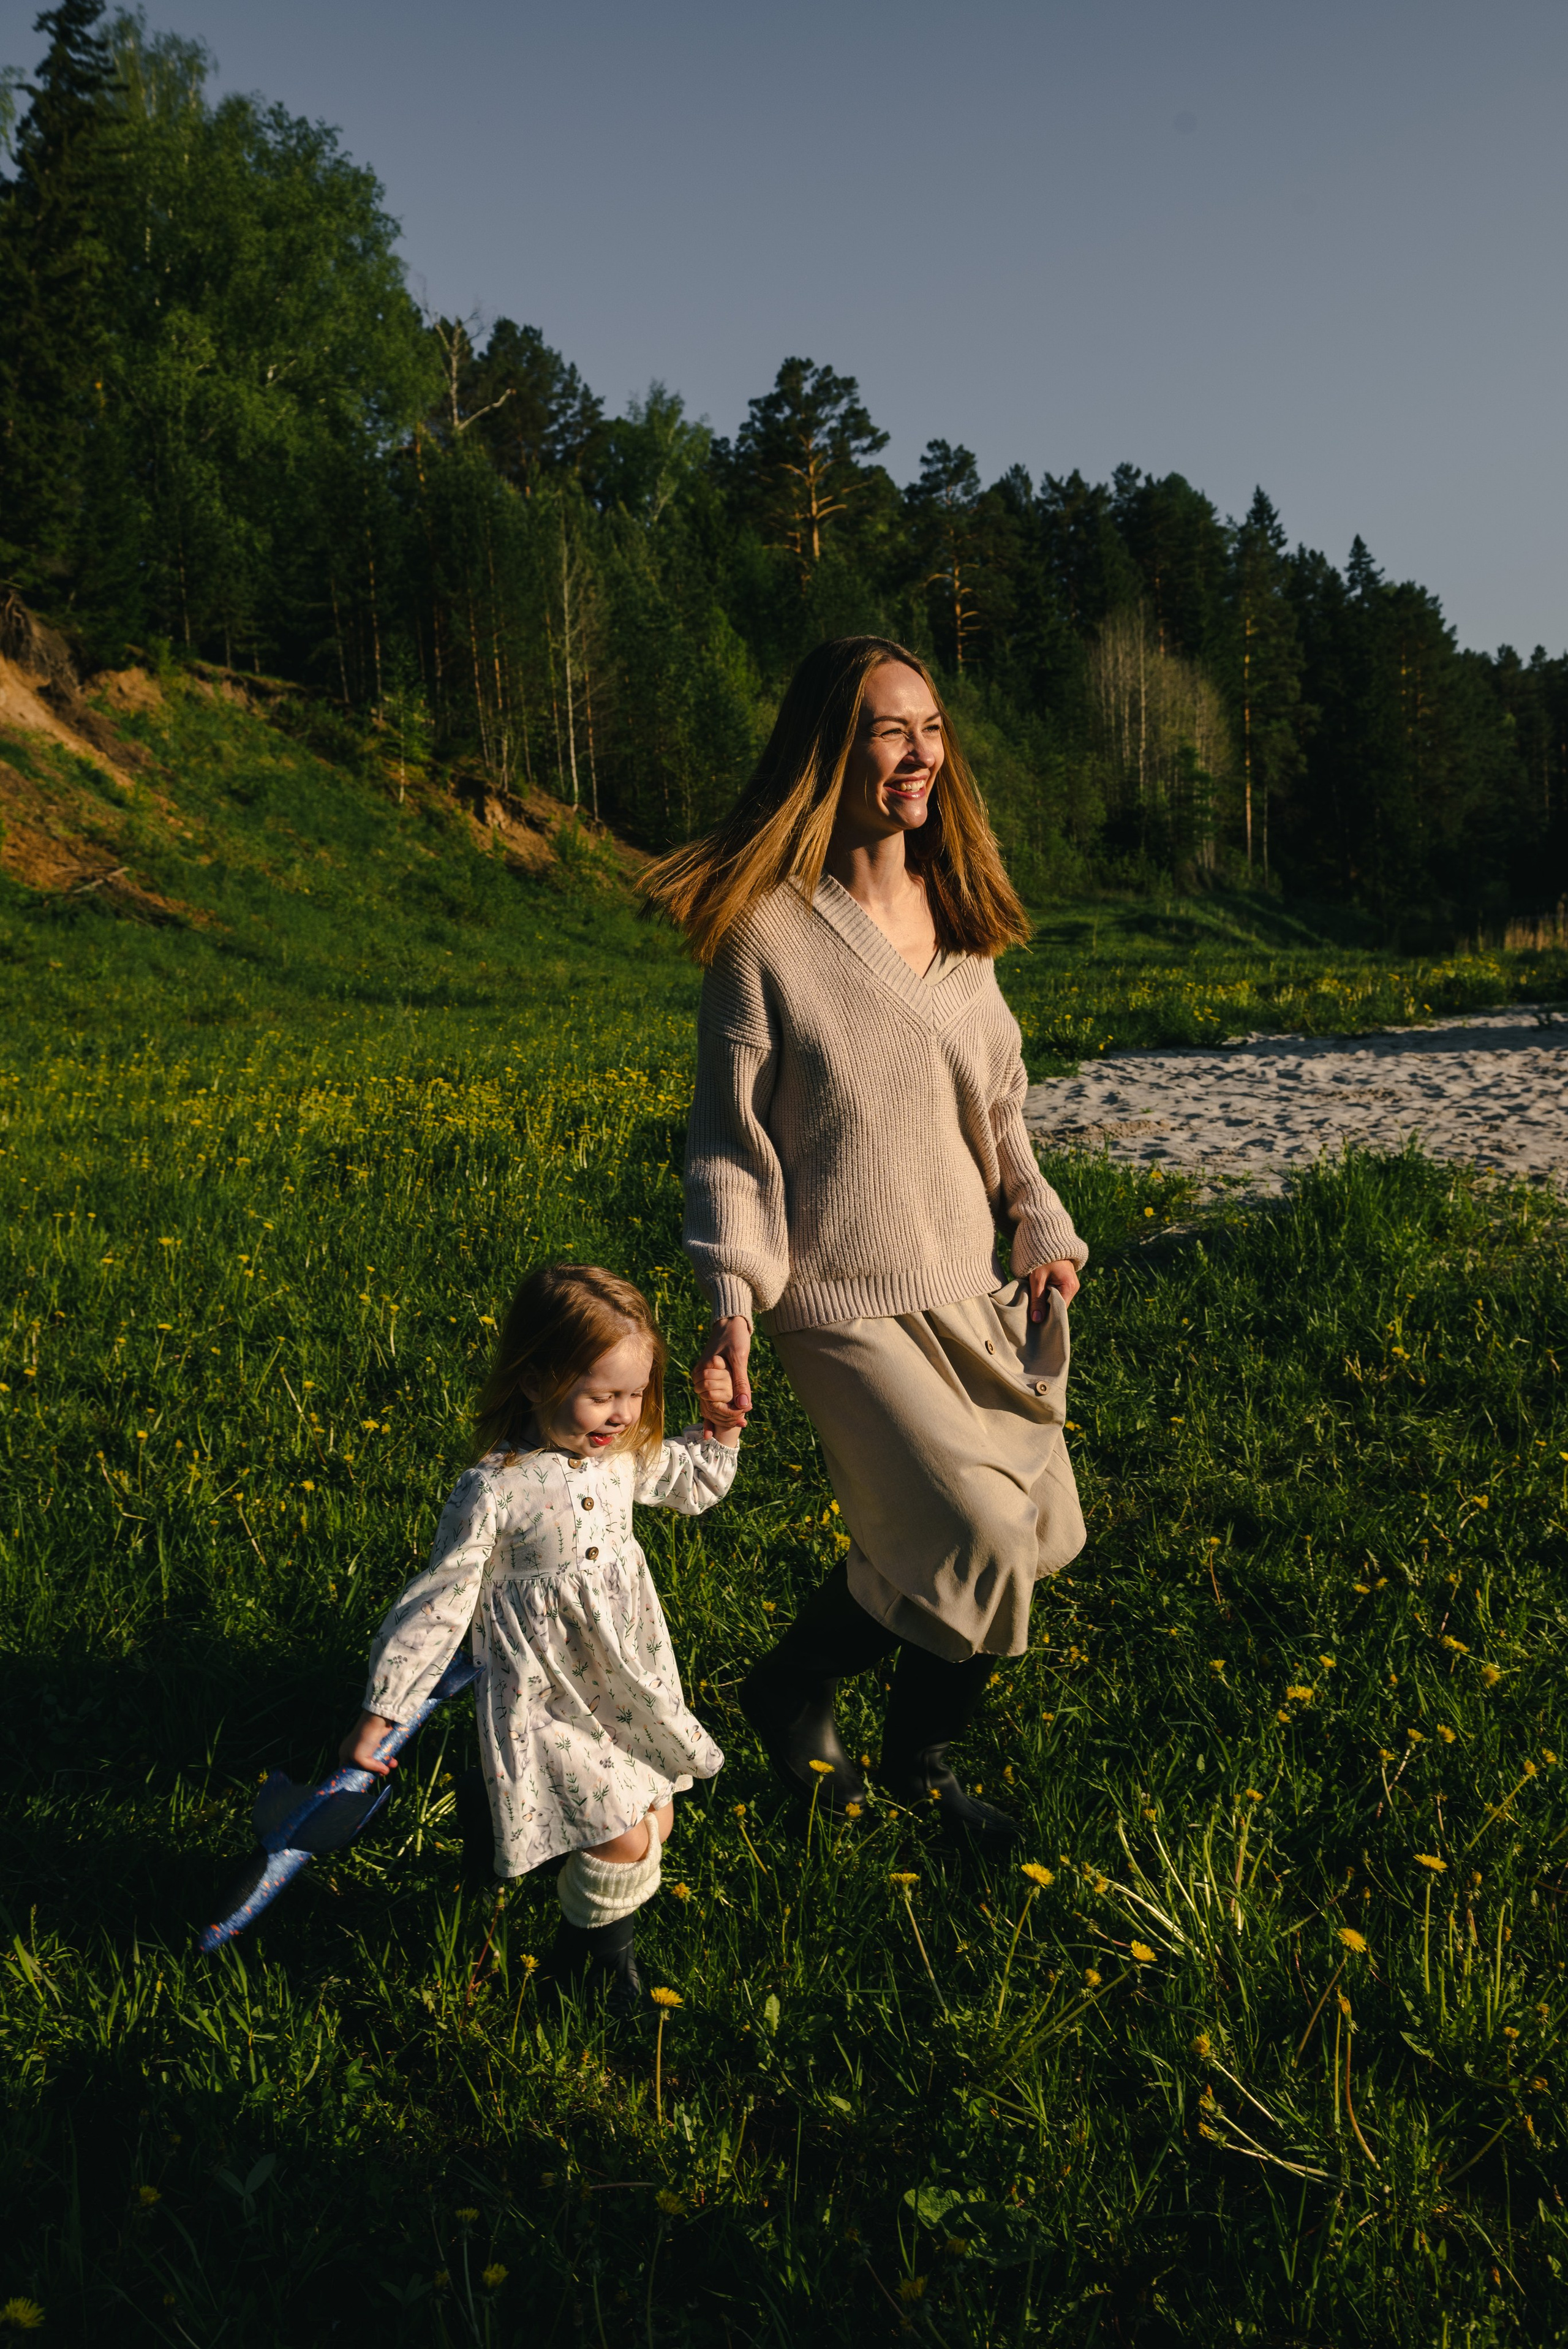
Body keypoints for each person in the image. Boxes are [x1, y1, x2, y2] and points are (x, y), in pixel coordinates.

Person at [643, 636, 1087, 1848]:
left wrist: (1037, 1223)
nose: (919, 752)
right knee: (978, 1541)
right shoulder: (766, 937)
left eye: (929, 728)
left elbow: (999, 1108)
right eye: (891, 730)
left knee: (1032, 1531)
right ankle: (920, 1766)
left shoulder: (963, 917)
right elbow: (730, 1147)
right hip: (834, 1297)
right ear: (828, 749)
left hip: (963, 1280)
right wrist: (731, 1305)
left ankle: (790, 1684)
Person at [337, 1264, 739, 2012]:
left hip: (622, 1680)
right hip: (544, 1693)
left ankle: (509, 1857)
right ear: (533, 1379)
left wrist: (719, 1423)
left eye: (634, 1394)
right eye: (601, 1394)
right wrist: (384, 1711)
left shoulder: (618, 1456)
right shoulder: (495, 1489)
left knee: (657, 1818)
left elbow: (693, 1484)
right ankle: (582, 1971)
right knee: (622, 1839)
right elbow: (438, 1604)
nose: (621, 1414)